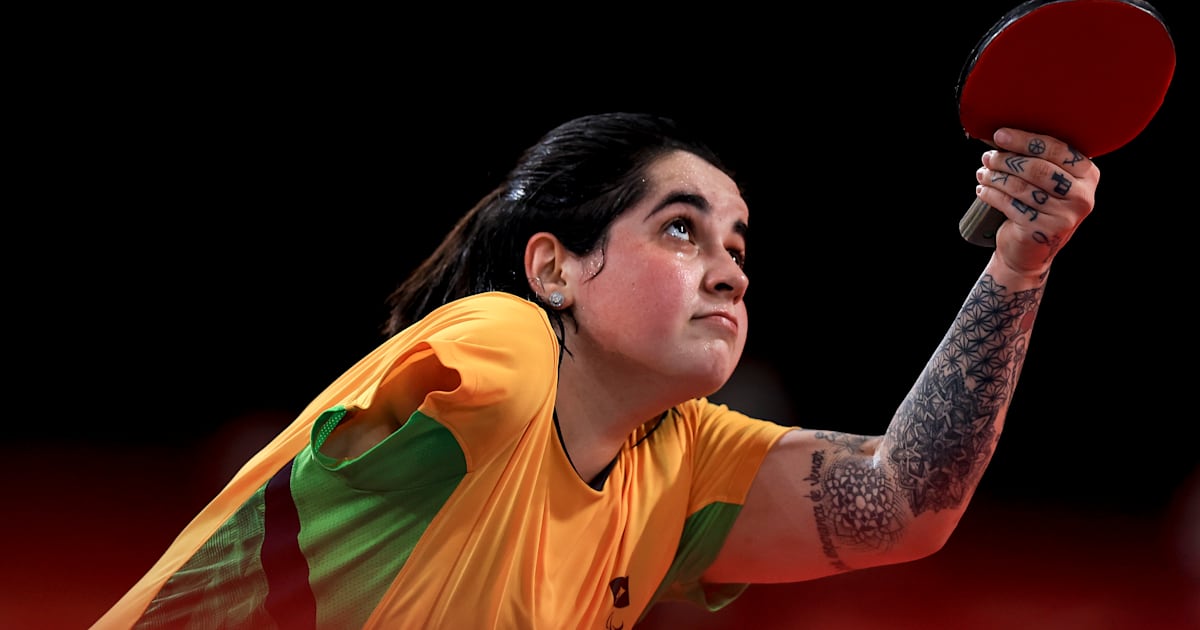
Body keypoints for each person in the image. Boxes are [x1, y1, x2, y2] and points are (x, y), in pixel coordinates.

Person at [92, 111, 1098, 629]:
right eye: (680, 229)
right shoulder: (506, 344)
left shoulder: (676, 462)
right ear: (555, 268)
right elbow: (455, 376)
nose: (729, 272)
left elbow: (906, 502)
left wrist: (1019, 266)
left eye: (738, 246)